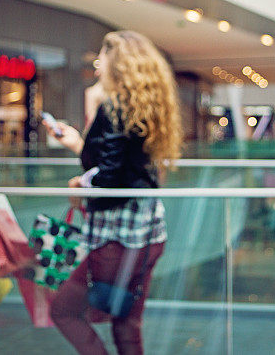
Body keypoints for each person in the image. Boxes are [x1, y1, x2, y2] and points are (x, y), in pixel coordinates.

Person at [44, 30, 182, 355]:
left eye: (101, 58)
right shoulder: (145, 108)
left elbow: (109, 180)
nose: (96, 65)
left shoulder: (114, 108)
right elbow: (125, 168)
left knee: (63, 311)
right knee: (127, 324)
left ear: (117, 64)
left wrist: (81, 185)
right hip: (148, 233)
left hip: (116, 237)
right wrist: (79, 144)